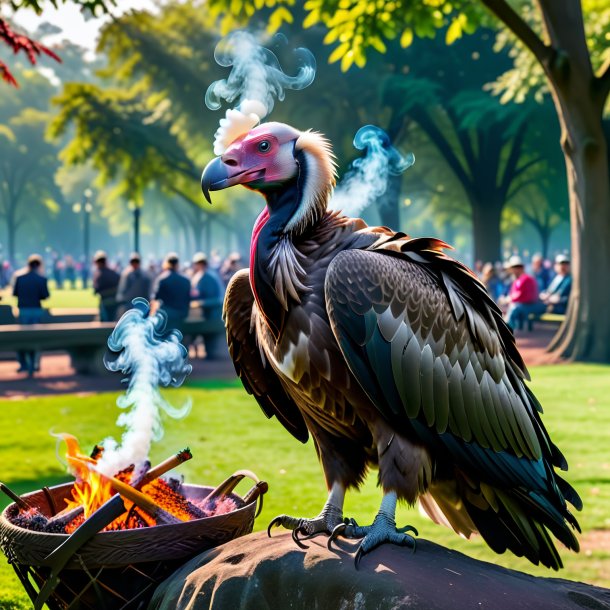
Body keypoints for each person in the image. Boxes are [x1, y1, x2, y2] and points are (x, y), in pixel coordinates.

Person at [13, 254, 50, 375]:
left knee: (22, 338)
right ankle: (34, 364)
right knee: (36, 338)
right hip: (36, 310)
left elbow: (15, 294)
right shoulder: (41, 279)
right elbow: (45, 296)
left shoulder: (19, 277)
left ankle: (23, 364)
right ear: (39, 265)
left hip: (23, 310)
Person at [500, 255, 545, 330]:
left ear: (521, 268)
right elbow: (513, 294)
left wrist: (509, 299)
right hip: (524, 306)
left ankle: (507, 328)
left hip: (531, 306)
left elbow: (527, 297)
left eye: (516, 267)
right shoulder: (516, 280)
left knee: (514, 307)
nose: (513, 270)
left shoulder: (526, 279)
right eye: (513, 267)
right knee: (507, 307)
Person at [152, 252, 191, 328]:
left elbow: (155, 299)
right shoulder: (186, 280)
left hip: (167, 316)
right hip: (182, 315)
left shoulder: (162, 280)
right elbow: (188, 298)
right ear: (178, 264)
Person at [191, 252, 224, 321]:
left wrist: (199, 303)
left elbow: (214, 299)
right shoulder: (202, 275)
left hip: (213, 313)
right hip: (209, 312)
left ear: (201, 264)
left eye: (196, 264)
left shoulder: (209, 277)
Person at [92, 250, 120, 321]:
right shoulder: (113, 273)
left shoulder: (99, 275)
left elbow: (96, 290)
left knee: (105, 325)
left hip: (105, 303)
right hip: (115, 302)